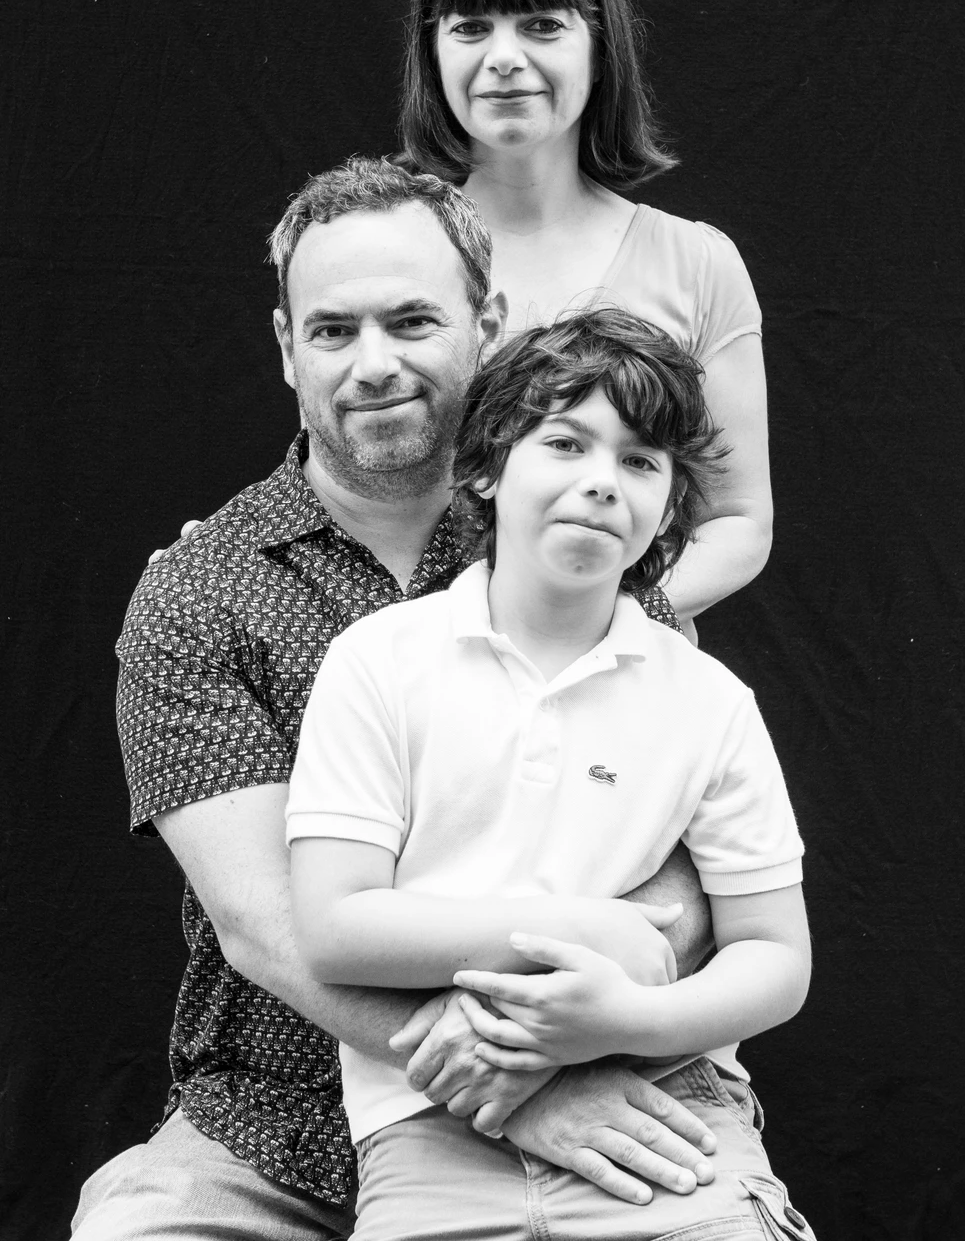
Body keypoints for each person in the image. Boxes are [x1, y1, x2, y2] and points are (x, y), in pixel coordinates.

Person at [70, 160, 719, 1240]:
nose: (373, 365)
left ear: (487, 324)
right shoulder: (198, 591)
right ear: (289, 348)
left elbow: (696, 872)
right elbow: (263, 925)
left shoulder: (588, 547)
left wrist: (536, 1053)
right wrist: (501, 1090)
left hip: (580, 1072)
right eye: (333, 331)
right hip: (278, 1123)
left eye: (412, 321)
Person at [286, 308, 814, 1241]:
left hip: (669, 1108)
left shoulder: (710, 700)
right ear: (488, 466)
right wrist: (578, 930)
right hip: (435, 1119)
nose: (602, 481)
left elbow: (776, 957)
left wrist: (624, 1020)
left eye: (641, 462)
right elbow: (335, 928)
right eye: (566, 443)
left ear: (669, 507)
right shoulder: (378, 661)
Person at [399, 0, 773, 632]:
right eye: (470, 27)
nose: (504, 57)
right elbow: (339, 475)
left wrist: (601, 618)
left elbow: (738, 521)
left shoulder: (697, 264)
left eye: (542, 24)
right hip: (425, 670)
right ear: (432, 52)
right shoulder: (389, 249)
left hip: (631, 679)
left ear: (600, 49)